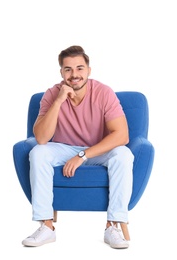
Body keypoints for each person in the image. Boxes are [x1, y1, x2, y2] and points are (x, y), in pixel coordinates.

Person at [22, 45, 134, 249]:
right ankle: (46, 226)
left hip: (98, 150)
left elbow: (122, 135)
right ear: (61, 72)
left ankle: (113, 226)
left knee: (123, 154)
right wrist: (58, 101)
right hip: (63, 148)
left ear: (89, 71)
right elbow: (41, 138)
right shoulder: (51, 94)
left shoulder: (103, 92)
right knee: (38, 153)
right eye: (68, 69)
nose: (74, 75)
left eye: (80, 68)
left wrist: (82, 155)